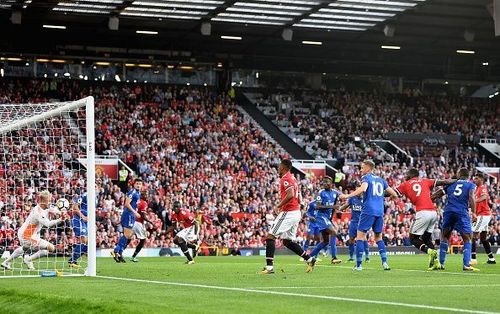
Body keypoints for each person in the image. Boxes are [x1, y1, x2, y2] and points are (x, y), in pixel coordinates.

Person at [340, 160, 398, 271]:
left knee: (360, 237)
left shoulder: (366, 178)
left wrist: (347, 196)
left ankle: (359, 265)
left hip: (368, 211)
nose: (361, 170)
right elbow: (394, 193)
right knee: (378, 238)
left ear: (368, 168)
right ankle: (385, 263)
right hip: (380, 212)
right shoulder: (381, 180)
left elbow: (363, 189)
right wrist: (388, 197)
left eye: (362, 168)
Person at [260, 159, 316, 274]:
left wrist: (278, 206)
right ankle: (309, 259)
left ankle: (269, 268)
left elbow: (290, 195)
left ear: (283, 167)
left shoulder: (286, 178)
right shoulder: (293, 178)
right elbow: (298, 194)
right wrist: (299, 204)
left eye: (280, 167)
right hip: (296, 212)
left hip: (289, 212)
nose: (278, 169)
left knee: (270, 236)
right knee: (287, 241)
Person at [394, 168, 455, 270]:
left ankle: (430, 251)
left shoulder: (406, 184)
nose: (405, 176)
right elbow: (444, 181)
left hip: (422, 212)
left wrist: (379, 193)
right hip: (433, 213)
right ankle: (436, 263)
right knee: (426, 238)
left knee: (413, 239)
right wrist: (457, 180)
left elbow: (392, 192)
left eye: (406, 174)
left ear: (410, 175)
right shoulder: (425, 180)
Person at [1, 191, 67, 271]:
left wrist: (61, 213)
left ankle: (8, 262)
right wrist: (60, 219)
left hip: (28, 233)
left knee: (25, 249)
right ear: (44, 202)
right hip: (27, 234)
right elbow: (48, 224)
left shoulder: (45, 207)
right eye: (49, 200)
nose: (50, 202)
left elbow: (54, 210)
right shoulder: (38, 212)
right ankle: (28, 259)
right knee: (51, 248)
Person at [432, 168, 479, 271]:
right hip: (461, 212)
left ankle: (441, 263)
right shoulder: (470, 185)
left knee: (445, 236)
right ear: (468, 176)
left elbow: (438, 194)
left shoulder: (451, 183)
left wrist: (429, 199)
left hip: (448, 212)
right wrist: (474, 213)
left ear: (459, 174)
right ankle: (466, 264)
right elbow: (471, 196)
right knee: (467, 238)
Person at [308, 176, 342, 264]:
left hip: (327, 218)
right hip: (321, 216)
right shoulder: (321, 193)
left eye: (327, 182)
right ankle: (334, 257)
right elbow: (318, 206)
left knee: (325, 242)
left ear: (331, 184)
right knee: (334, 232)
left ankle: (309, 257)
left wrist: (331, 217)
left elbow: (335, 206)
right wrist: (332, 207)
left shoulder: (335, 193)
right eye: (323, 182)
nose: (325, 184)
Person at [112, 178, 142, 263]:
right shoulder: (132, 192)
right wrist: (135, 213)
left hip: (131, 215)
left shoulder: (138, 193)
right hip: (128, 214)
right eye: (137, 184)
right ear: (134, 184)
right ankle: (116, 251)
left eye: (140, 184)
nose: (138, 185)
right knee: (127, 235)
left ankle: (120, 253)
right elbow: (127, 204)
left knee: (129, 236)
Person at [471, 173, 495, 265]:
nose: (475, 180)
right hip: (480, 215)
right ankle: (491, 259)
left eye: (476, 178)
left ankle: (473, 258)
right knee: (483, 238)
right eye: (474, 178)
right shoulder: (476, 189)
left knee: (473, 234)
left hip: (483, 215)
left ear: (481, 179)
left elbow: (484, 197)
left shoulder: (482, 187)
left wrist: (474, 201)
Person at [339, 194, 369, 262]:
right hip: (353, 222)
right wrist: (340, 208)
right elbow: (345, 205)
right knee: (351, 239)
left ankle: (367, 257)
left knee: (363, 238)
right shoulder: (352, 198)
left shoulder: (366, 198)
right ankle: (351, 257)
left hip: (362, 222)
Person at [130, 191, 153, 262]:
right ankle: (133, 257)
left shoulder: (136, 202)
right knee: (143, 240)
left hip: (131, 222)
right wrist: (150, 221)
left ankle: (118, 252)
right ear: (142, 196)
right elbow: (143, 216)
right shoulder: (144, 203)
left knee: (127, 239)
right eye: (145, 195)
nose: (147, 196)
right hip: (138, 223)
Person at [68, 192, 89, 268]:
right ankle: (72, 261)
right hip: (79, 220)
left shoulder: (95, 197)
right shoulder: (84, 195)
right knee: (83, 239)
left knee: (87, 243)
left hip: (86, 222)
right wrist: (83, 216)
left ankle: (73, 260)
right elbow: (75, 207)